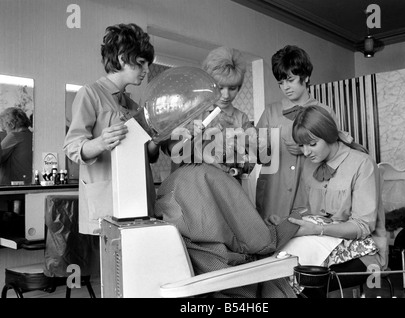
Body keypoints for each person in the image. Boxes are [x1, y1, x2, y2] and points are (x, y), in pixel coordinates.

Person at [154, 138, 303, 298]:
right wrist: (293, 224)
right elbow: (260, 242)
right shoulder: (214, 176)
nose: (244, 163)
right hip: (222, 276)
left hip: (193, 273)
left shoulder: (172, 180)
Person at [64, 23, 159, 235]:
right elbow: (72, 147)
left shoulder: (134, 106)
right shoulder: (90, 94)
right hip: (106, 199)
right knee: (110, 263)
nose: (147, 70)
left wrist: (157, 139)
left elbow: (148, 156)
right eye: (142, 63)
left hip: (138, 198)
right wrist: (100, 142)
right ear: (123, 58)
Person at [287, 105, 387, 296]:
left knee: (309, 283)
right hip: (319, 244)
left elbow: (362, 226)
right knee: (281, 274)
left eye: (312, 144)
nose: (306, 152)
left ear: (329, 135)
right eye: (301, 145)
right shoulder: (309, 165)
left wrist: (318, 229)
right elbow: (304, 210)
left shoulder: (362, 164)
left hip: (363, 252)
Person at [255, 45, 339, 221]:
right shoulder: (270, 112)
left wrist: (304, 148)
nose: (285, 87)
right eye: (280, 82)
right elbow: (258, 154)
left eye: (290, 80)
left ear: (306, 77)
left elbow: (337, 156)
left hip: (309, 192)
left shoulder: (324, 112)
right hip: (273, 194)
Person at [163, 46, 255, 179]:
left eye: (232, 88)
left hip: (227, 189)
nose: (226, 95)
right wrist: (188, 137)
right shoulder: (191, 112)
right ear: (208, 84)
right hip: (192, 187)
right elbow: (173, 152)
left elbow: (248, 165)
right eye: (220, 87)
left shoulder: (241, 118)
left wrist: (241, 159)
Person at [0, 107, 33, 185]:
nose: (5, 131)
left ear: (11, 125)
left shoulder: (14, 136)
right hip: (27, 184)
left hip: (9, 187)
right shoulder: (31, 136)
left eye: (4, 127)